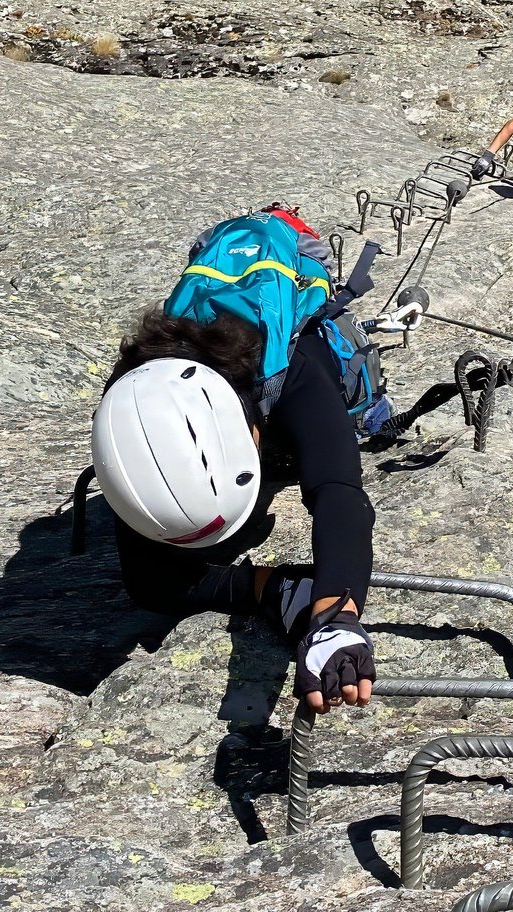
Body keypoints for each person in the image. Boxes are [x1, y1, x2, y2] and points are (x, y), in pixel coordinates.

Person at [91, 204, 389, 714]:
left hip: (288, 371)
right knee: (150, 586)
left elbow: (338, 490)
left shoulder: (294, 369)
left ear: (252, 433)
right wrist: (278, 592)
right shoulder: (132, 402)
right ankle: (273, 590)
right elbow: (151, 583)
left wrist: (336, 617)